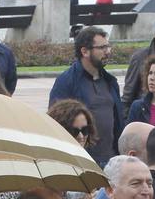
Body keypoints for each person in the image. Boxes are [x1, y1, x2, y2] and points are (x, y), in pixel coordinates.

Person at [49, 27, 124, 168]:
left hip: (111, 160)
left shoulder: (110, 81)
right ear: (85, 51)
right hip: (82, 161)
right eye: (102, 48)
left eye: (108, 46)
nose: (108, 52)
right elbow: (56, 123)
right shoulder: (67, 82)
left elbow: (118, 122)